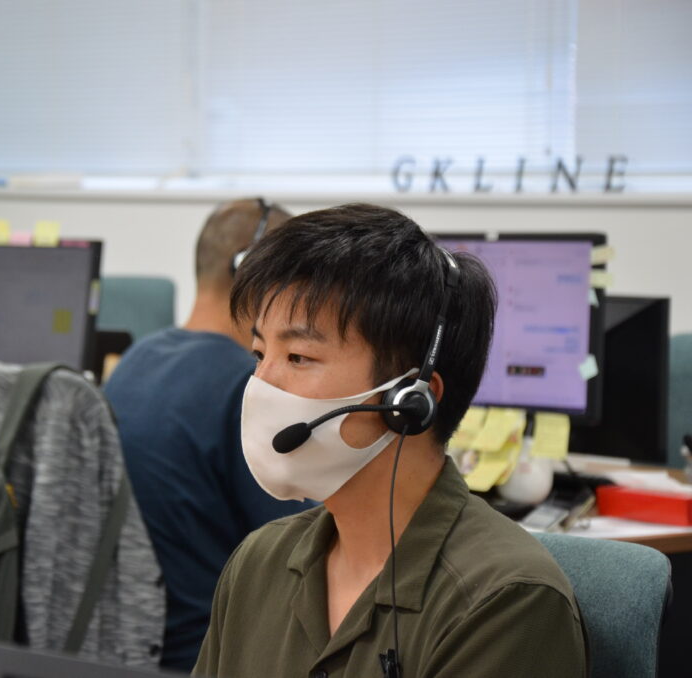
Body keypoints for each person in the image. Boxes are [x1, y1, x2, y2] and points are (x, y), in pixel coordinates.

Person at [193, 204, 588, 678]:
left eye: (298, 356)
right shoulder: (258, 564)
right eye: (259, 353)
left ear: (410, 401)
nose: (262, 383)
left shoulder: (504, 601)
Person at [104, 198, 312, 671]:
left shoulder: (136, 358)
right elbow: (307, 552)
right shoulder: (248, 388)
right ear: (258, 277)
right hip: (208, 656)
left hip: (132, 645)